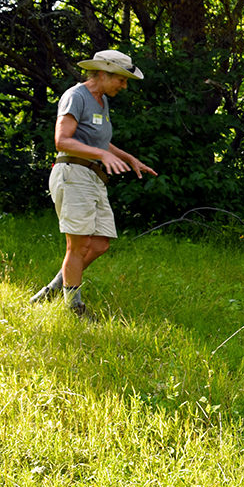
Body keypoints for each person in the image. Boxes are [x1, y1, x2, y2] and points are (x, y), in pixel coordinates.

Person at [29, 50, 157, 316]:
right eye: (121, 80)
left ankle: (55, 288)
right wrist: (101, 154)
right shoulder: (76, 96)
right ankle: (74, 308)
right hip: (73, 174)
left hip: (93, 177)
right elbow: (62, 140)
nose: (124, 85)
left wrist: (128, 157)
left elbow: (100, 141)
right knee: (77, 246)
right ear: (103, 73)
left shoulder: (101, 102)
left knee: (100, 244)